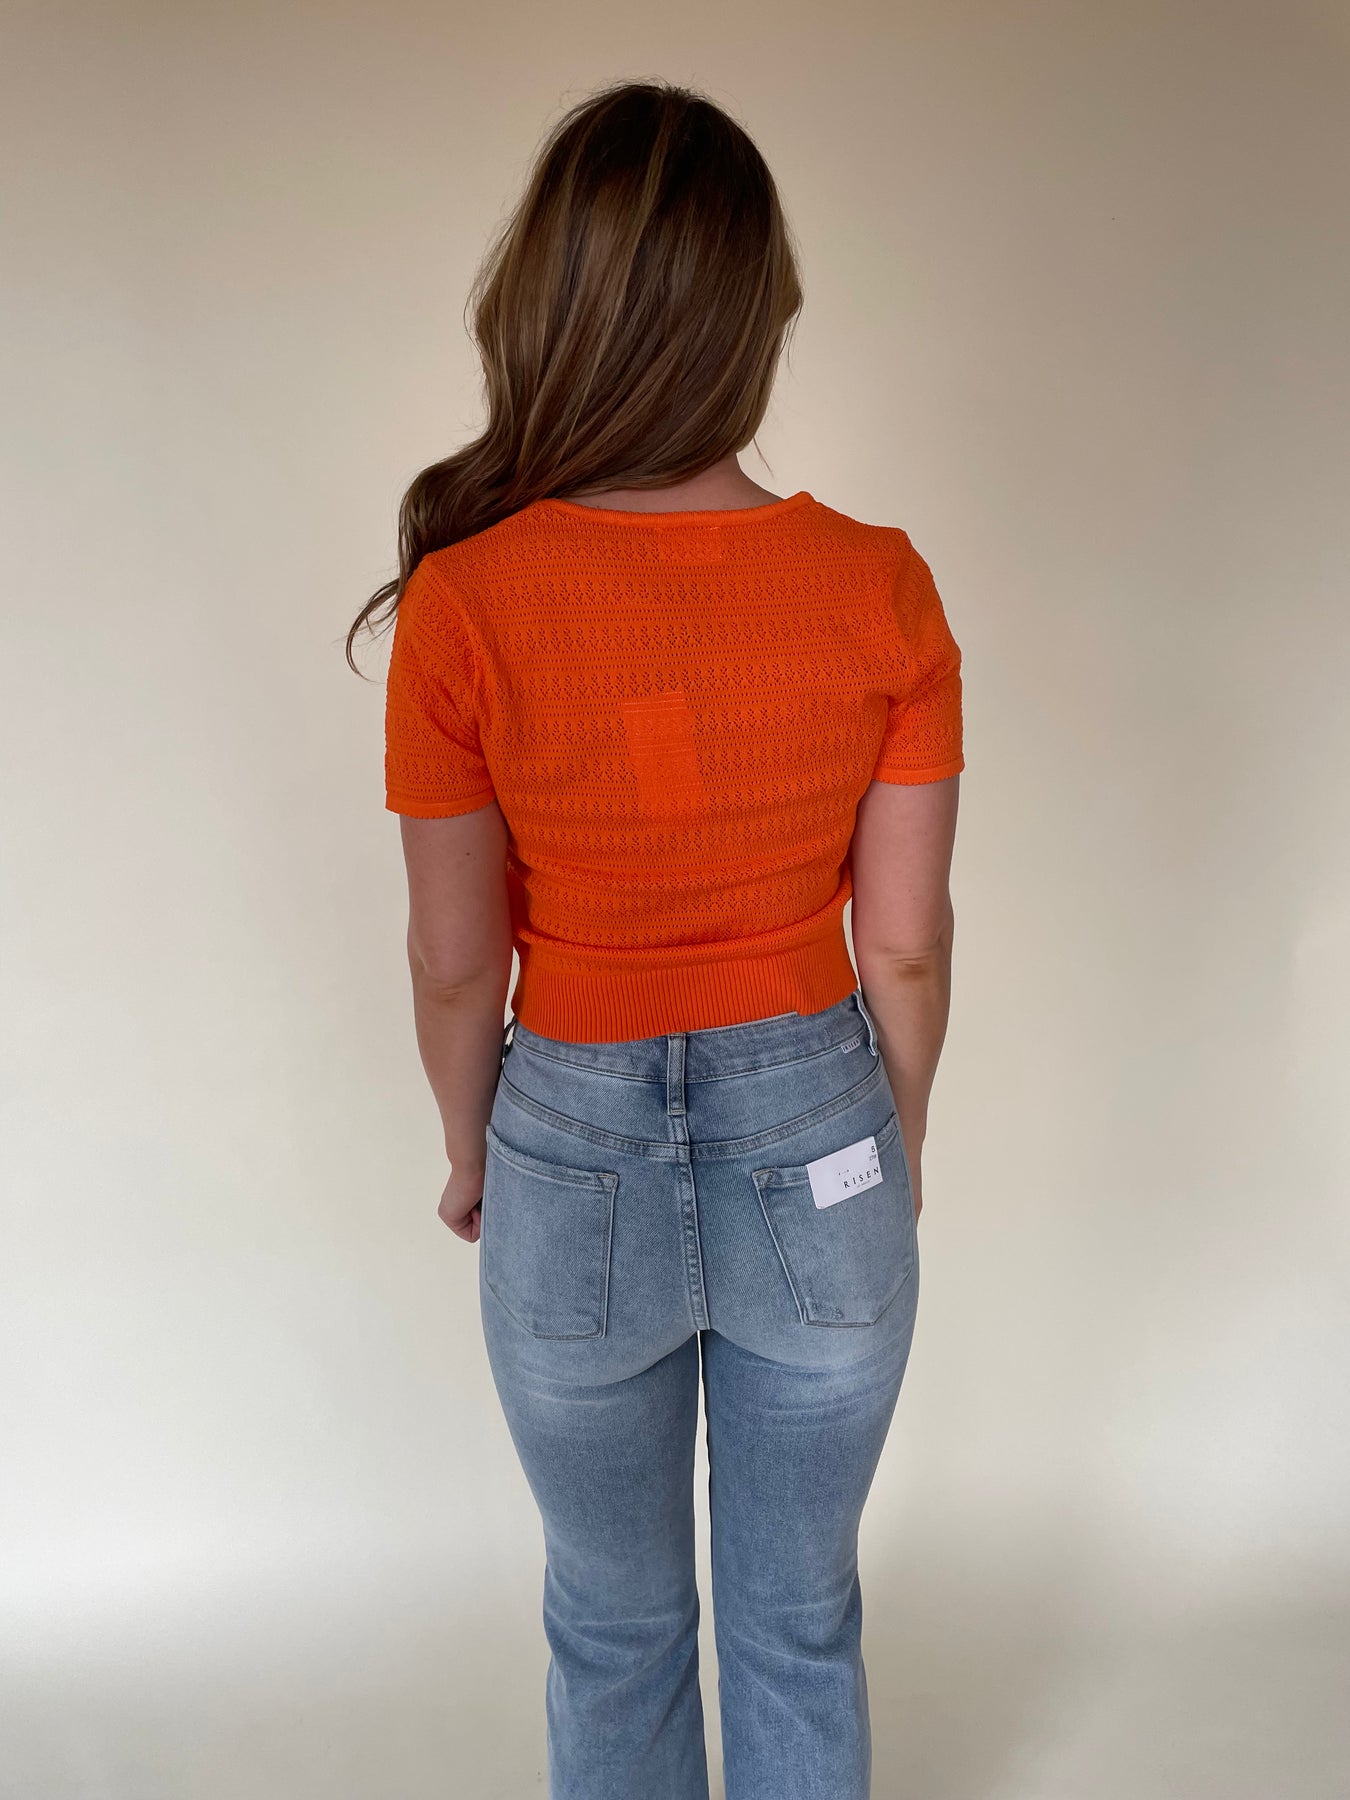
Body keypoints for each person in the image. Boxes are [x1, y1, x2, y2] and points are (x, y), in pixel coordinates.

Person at [349, 77, 963, 1800]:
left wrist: (472, 1148)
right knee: (798, 1616)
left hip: (566, 1145)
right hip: (820, 1132)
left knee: (612, 1624)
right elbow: (903, 949)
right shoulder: (879, 584)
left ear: (548, 307)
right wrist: (893, 1129)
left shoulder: (466, 602)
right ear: (756, 317)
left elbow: (455, 960)